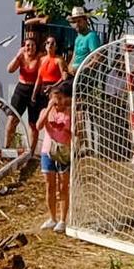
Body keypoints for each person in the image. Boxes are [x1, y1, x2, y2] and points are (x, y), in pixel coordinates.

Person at [37, 83, 73, 233]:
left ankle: (63, 219)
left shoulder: (70, 112)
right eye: (54, 98)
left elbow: (76, 132)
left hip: (63, 151)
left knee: (63, 186)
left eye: (59, 98)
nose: (57, 101)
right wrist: (49, 109)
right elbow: (39, 126)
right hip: (48, 151)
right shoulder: (46, 111)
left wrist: (64, 128)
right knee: (49, 185)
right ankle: (52, 217)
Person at [5, 25, 44, 151]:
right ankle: (6, 147)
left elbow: (41, 76)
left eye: (32, 45)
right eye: (27, 45)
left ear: (36, 47)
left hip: (34, 90)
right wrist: (18, 56)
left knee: (33, 124)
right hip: (21, 88)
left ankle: (31, 152)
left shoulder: (40, 57)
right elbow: (10, 70)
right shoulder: (22, 56)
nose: (30, 48)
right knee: (12, 119)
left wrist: (35, 93)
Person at [66, 7, 101, 79]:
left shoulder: (92, 36)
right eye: (75, 22)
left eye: (79, 21)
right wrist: (68, 70)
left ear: (85, 21)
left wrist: (80, 69)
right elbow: (74, 57)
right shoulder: (78, 38)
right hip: (73, 74)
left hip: (84, 76)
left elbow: (97, 58)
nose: (77, 24)